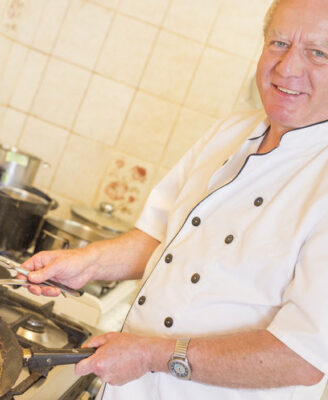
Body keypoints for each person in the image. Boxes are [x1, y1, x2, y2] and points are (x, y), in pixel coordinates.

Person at [21, 0, 328, 398]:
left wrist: (152, 355)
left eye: (318, 52)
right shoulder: (231, 131)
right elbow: (161, 237)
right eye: (279, 42)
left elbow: (303, 356)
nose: (287, 68)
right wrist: (86, 264)